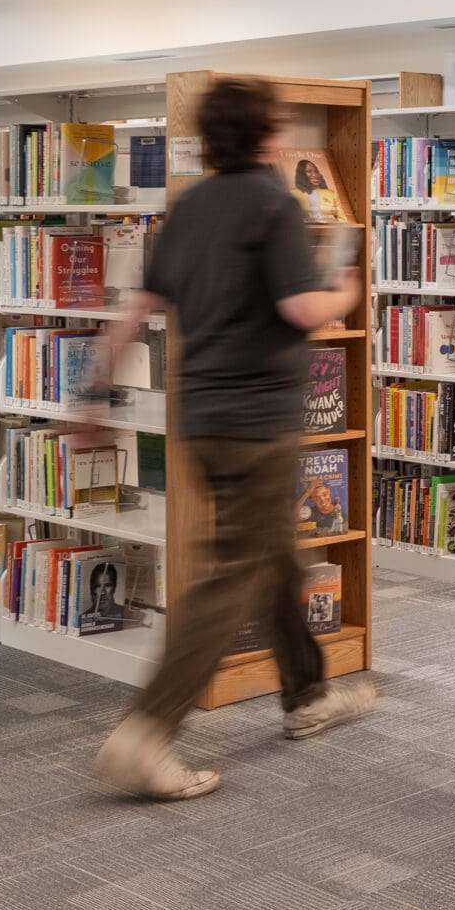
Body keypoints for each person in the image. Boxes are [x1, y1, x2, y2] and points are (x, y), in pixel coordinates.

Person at [84, 78, 369, 801]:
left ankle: (307, 695)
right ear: (266, 134)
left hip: (203, 418)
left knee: (275, 557)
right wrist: (346, 289)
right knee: (231, 576)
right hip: (260, 420)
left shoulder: (189, 207)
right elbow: (303, 308)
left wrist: (92, 391)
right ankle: (148, 730)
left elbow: (139, 308)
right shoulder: (273, 203)